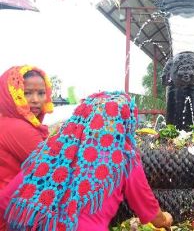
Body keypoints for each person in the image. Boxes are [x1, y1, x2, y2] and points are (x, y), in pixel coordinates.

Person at [0, 91, 173, 231]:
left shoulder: (53, 150)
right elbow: (149, 211)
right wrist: (165, 219)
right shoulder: (123, 156)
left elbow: (6, 199)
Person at [0, 66, 54, 231]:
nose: (36, 100)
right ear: (10, 96)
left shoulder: (7, 122)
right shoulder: (18, 128)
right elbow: (54, 166)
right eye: (27, 93)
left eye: (41, 93)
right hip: (12, 216)